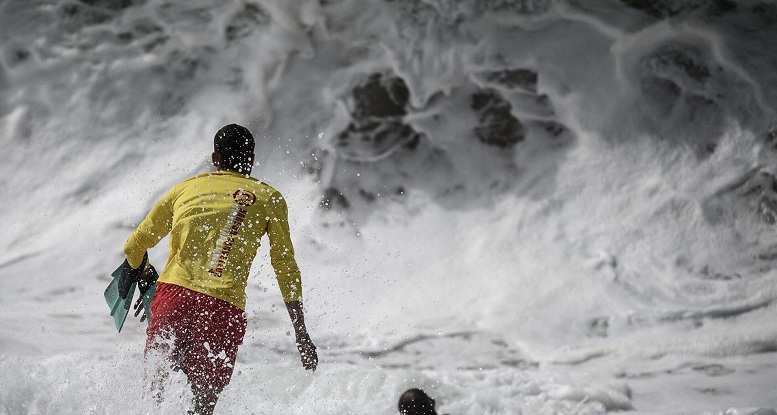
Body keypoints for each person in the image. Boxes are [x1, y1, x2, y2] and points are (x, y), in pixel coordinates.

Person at [119, 123, 318, 415]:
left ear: (215, 159)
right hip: (222, 308)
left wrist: (145, 272)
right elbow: (285, 266)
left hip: (174, 297)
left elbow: (133, 247)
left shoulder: (185, 189)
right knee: (203, 406)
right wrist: (301, 334)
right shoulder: (269, 198)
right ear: (251, 160)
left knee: (153, 396)